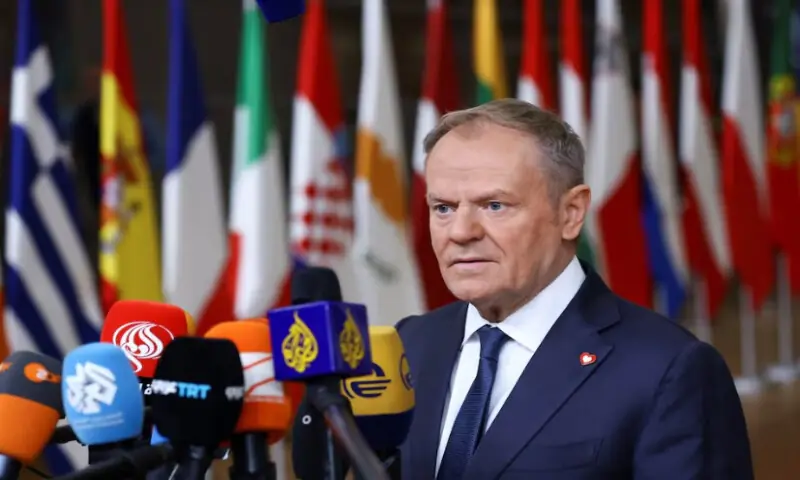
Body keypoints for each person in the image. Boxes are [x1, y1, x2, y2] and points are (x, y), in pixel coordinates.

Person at [397, 99, 752, 480]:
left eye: (494, 205)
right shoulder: (410, 344)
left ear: (571, 213)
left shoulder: (668, 370)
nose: (461, 232)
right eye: (443, 208)